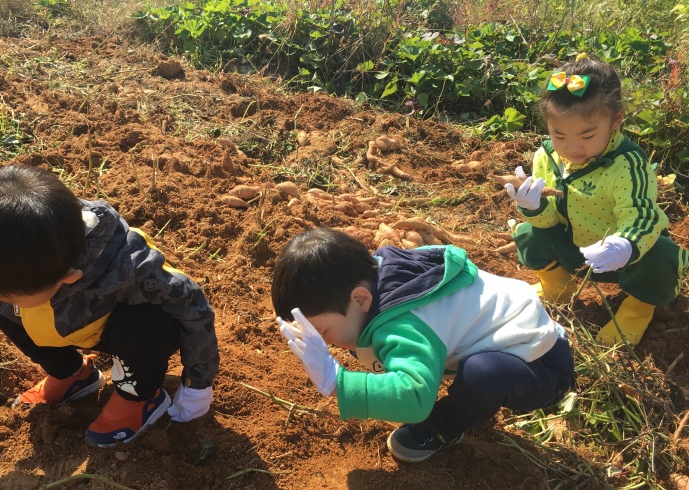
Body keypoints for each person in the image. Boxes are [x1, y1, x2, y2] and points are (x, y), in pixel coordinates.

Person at [0, 165, 219, 447]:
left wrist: (197, 385)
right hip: (66, 323)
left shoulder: (132, 268)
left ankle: (139, 396)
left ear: (68, 276)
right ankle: (74, 374)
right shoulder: (4, 256)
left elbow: (194, 309)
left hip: (120, 328)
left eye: (10, 293)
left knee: (145, 325)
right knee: (1, 310)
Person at [271, 228, 575, 462]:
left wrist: (337, 382)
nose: (324, 342)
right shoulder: (380, 275)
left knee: (484, 374)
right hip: (524, 333)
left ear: (361, 299)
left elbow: (415, 397)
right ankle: (473, 399)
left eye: (323, 332)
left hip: (542, 365)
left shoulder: (405, 324)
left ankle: (441, 428)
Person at [504, 56, 688, 345]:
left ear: (616, 120)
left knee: (661, 256)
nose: (572, 148)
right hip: (575, 250)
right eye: (559, 135)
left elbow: (641, 215)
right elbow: (549, 221)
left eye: (587, 136)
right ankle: (557, 287)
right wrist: (534, 207)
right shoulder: (547, 157)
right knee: (528, 233)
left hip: (624, 259)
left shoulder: (627, 164)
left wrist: (625, 244)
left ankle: (637, 310)